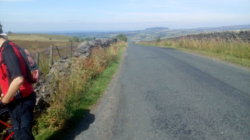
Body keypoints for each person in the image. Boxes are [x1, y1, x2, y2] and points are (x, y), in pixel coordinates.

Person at [0, 24, 36, 140]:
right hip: (19, 99)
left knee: (22, 136)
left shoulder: (7, 51)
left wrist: (5, 100)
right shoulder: (8, 47)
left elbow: (18, 79)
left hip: (21, 100)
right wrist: (5, 92)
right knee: (20, 133)